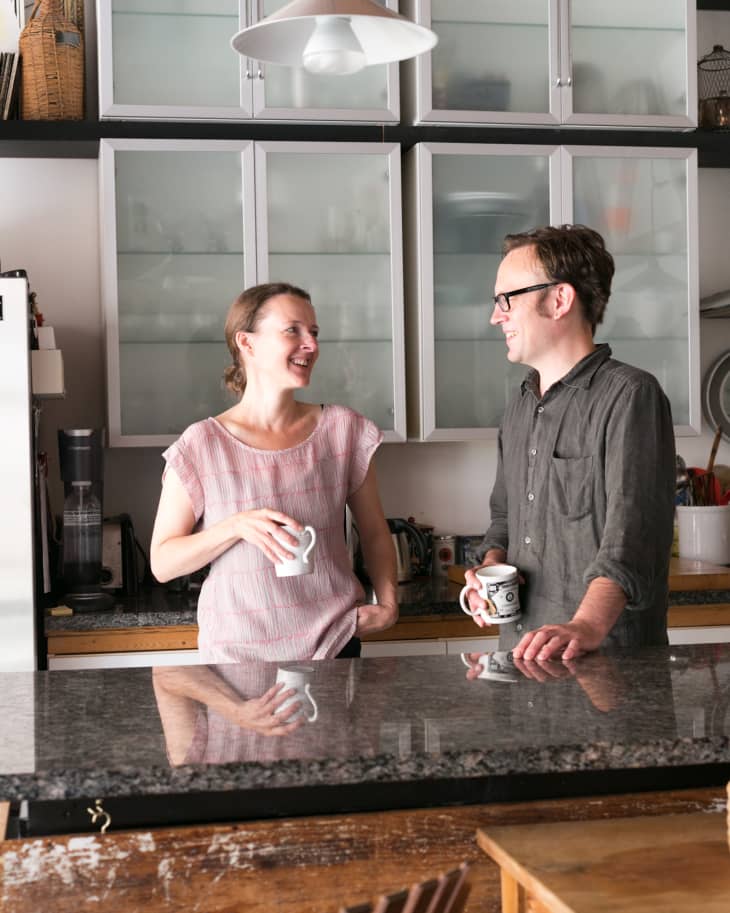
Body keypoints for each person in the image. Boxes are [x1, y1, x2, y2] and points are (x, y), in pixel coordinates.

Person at [150, 282, 398, 664]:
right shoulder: (201, 444)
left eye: (313, 333)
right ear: (247, 344)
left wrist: (388, 603)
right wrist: (235, 527)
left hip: (332, 648)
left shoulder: (343, 430)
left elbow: (376, 532)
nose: (311, 345)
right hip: (235, 663)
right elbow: (164, 563)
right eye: (292, 330)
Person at [464, 225, 675, 661]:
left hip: (606, 669)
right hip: (522, 660)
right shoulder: (519, 407)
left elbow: (632, 535)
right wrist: (487, 571)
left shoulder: (631, 395)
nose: (496, 315)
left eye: (508, 299)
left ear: (559, 300)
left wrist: (586, 624)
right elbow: (504, 518)